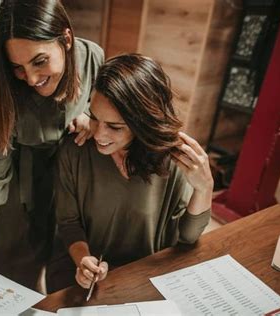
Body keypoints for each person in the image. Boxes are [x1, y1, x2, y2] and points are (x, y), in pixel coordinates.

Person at [0, 0, 104, 291]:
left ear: (66, 39)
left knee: (71, 275)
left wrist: (93, 116)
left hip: (75, 186)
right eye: (18, 67)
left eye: (40, 61)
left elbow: (106, 103)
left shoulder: (93, 56)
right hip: (21, 192)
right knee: (13, 279)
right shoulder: (5, 102)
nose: (31, 79)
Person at [49, 54, 213, 291]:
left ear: (142, 124)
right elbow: (68, 223)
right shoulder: (74, 150)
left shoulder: (172, 156)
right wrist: (84, 260)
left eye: (114, 127)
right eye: (94, 118)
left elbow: (187, 237)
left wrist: (204, 187)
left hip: (146, 278)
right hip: (79, 278)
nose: (99, 134)